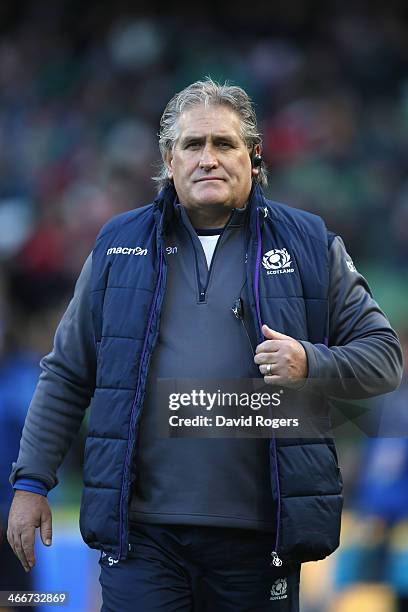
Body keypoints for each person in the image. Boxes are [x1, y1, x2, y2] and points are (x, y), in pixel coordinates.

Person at [7, 78, 403, 612]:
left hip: (263, 536)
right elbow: (67, 374)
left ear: (255, 157)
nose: (208, 159)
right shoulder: (116, 245)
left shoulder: (311, 244)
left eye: (224, 144)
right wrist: (31, 483)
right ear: (169, 161)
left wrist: (310, 361)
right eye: (193, 145)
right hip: (141, 536)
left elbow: (384, 358)